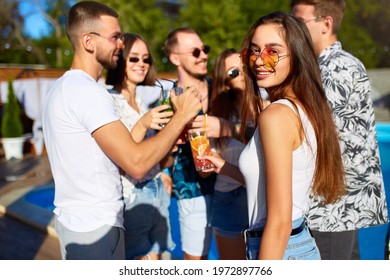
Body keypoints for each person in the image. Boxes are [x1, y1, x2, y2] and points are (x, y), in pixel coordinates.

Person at [41, 1, 201, 260]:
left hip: (81, 222)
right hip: (94, 226)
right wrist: (180, 116)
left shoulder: (62, 88)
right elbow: (135, 163)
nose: (120, 44)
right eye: (115, 37)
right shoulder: (87, 92)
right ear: (89, 41)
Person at [201, 10, 346, 260]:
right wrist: (225, 167)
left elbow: (279, 222)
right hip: (296, 244)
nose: (259, 60)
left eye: (272, 51)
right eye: (254, 50)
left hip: (279, 248)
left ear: (297, 56)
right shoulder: (305, 107)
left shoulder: (276, 116)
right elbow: (274, 187)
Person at [291, 0, 388, 259]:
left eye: (299, 23)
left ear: (326, 23)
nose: (293, 31)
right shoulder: (321, 67)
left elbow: (315, 129)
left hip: (331, 204)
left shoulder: (338, 67)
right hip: (335, 202)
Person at [105, 33, 175, 260]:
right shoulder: (108, 101)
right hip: (132, 196)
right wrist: (144, 123)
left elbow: (153, 152)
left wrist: (165, 169)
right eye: (134, 58)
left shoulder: (145, 102)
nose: (142, 64)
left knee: (159, 259)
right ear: (119, 59)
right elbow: (123, 160)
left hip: (156, 189)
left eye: (146, 59)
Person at [162, 27, 216, 260]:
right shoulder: (169, 100)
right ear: (175, 58)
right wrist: (165, 171)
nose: (203, 55)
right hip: (193, 191)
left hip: (233, 185)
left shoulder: (223, 89)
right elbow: (161, 149)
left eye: (205, 49)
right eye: (195, 51)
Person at [208, 48, 248, 260]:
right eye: (234, 72)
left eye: (245, 68)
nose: (242, 75)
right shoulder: (217, 114)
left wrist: (228, 128)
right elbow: (206, 170)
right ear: (225, 80)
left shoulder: (268, 105)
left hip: (262, 200)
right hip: (228, 200)